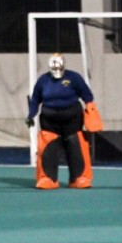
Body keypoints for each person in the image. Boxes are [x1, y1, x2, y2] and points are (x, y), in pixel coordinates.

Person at [27, 53, 98, 189]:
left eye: (59, 67)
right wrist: (31, 115)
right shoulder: (43, 80)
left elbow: (87, 94)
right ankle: (47, 178)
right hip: (49, 120)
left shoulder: (74, 77)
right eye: (54, 68)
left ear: (63, 65)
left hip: (72, 119)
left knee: (76, 145)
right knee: (48, 148)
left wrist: (90, 108)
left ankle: (79, 178)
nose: (57, 70)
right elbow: (35, 99)